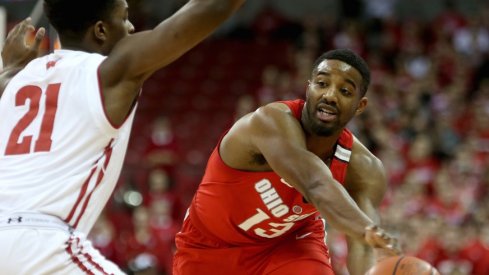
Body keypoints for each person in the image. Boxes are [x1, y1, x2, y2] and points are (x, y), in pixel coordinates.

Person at [0, 0, 244, 274]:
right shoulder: (109, 73)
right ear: (101, 30)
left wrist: (9, 67)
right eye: (124, 17)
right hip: (43, 243)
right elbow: (209, 9)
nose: (130, 26)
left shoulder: (16, 81)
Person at [173, 49, 400, 275]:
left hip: (289, 245)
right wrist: (366, 230)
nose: (330, 95)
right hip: (209, 246)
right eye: (322, 84)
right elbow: (316, 184)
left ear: (360, 105)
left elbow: (363, 245)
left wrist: (373, 242)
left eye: (344, 91)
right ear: (308, 87)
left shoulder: (364, 168)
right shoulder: (269, 121)